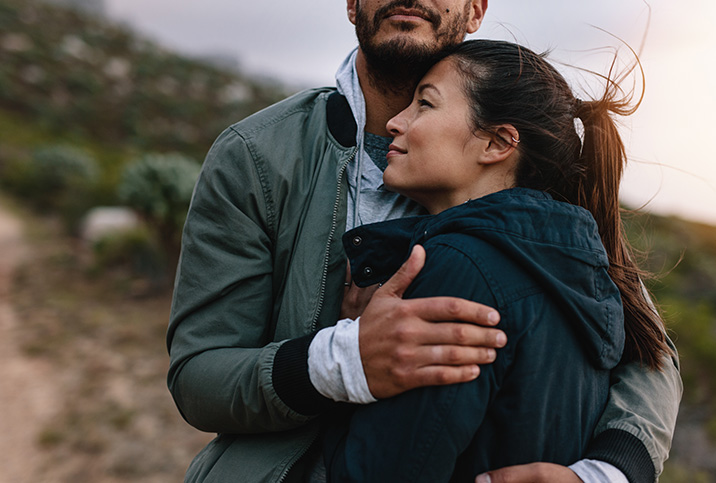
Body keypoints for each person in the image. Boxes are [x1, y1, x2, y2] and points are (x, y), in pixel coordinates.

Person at [166, 1, 682, 482]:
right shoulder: (256, 156)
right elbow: (198, 375)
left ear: (476, 8)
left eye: (427, 105)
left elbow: (644, 344)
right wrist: (341, 360)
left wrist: (608, 473)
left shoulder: (532, 166)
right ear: (351, 3)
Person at [322, 37, 672, 482]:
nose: (395, 122)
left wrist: (351, 350)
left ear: (497, 143)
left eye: (425, 105)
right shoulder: (579, 268)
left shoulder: (460, 268)